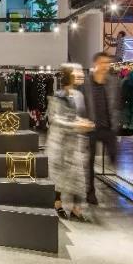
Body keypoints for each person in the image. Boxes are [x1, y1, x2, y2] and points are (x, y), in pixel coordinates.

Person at [46, 63, 93, 222]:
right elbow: (54, 119)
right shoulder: (58, 96)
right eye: (76, 71)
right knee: (60, 177)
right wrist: (76, 125)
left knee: (77, 176)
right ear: (68, 75)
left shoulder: (78, 95)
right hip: (60, 143)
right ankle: (57, 204)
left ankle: (76, 209)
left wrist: (81, 122)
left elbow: (74, 116)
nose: (80, 74)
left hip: (74, 143)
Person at [81, 52, 120, 204]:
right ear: (95, 63)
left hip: (108, 127)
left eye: (108, 63)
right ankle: (90, 193)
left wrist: (116, 122)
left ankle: (113, 160)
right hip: (90, 128)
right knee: (89, 163)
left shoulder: (113, 82)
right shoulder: (86, 83)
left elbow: (116, 104)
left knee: (114, 153)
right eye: (103, 62)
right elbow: (81, 104)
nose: (106, 66)